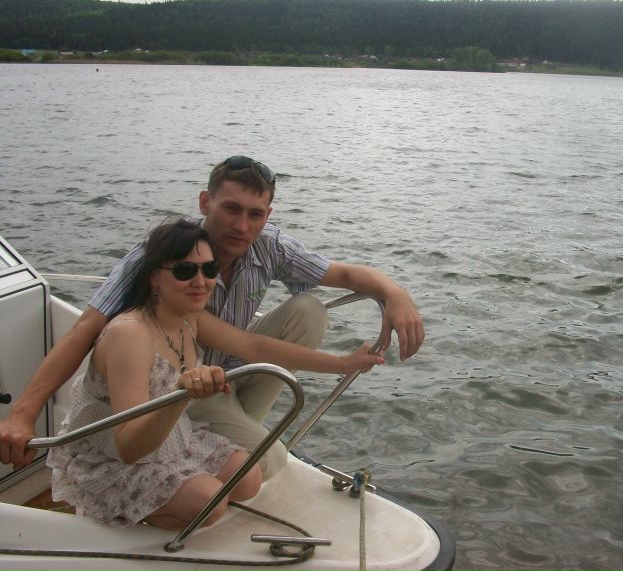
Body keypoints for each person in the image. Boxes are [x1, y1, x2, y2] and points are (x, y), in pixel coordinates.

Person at [0, 155, 424, 472]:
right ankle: (227, 444)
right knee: (268, 461)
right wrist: (23, 413)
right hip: (178, 387)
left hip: (228, 372)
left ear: (267, 216)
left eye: (255, 215)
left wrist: (394, 292)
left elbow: (341, 275)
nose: (242, 226)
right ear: (206, 202)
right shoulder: (163, 254)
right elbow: (86, 329)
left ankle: (235, 434)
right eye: (231, 209)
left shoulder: (269, 245)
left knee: (309, 310)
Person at [47, 220, 383, 528]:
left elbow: (256, 347)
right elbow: (129, 447)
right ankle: (111, 513)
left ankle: (173, 498)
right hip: (111, 456)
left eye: (209, 270)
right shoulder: (131, 335)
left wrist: (342, 364)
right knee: (211, 504)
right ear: (154, 277)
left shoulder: (188, 318)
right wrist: (181, 396)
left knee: (248, 479)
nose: (200, 281)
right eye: (184, 271)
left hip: (169, 436)